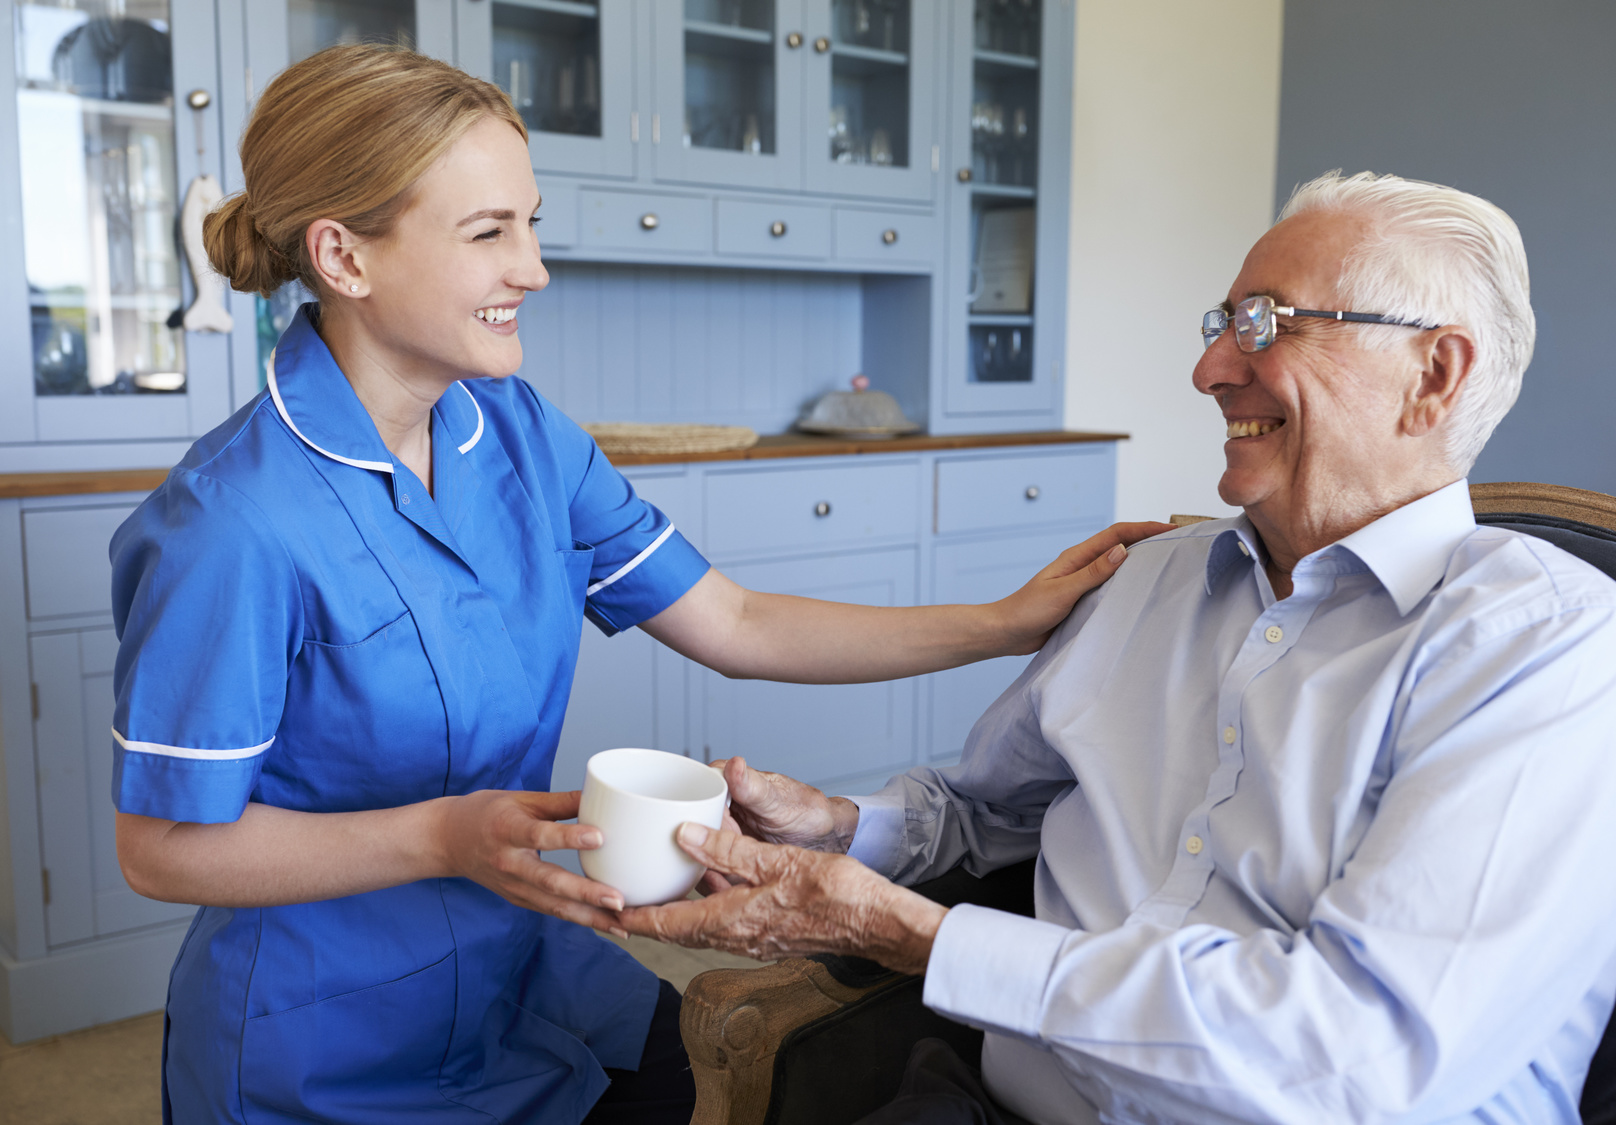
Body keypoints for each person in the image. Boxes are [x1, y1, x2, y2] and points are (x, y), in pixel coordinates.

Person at [109, 45, 1164, 1124]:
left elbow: (738, 620)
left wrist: (1002, 624)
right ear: (343, 256)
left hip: (535, 968)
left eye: (529, 222)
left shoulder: (519, 437)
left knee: (723, 1082)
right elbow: (159, 849)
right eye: (489, 233)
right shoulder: (231, 522)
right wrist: (439, 836)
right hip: (328, 1036)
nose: (534, 269)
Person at [621, 172, 1616, 1124]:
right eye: (1222, 320)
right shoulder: (1155, 577)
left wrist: (917, 937)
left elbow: (1357, 1063)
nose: (1209, 367)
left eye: (1265, 324)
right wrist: (842, 827)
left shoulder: (1538, 646)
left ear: (1433, 374)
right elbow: (994, 811)